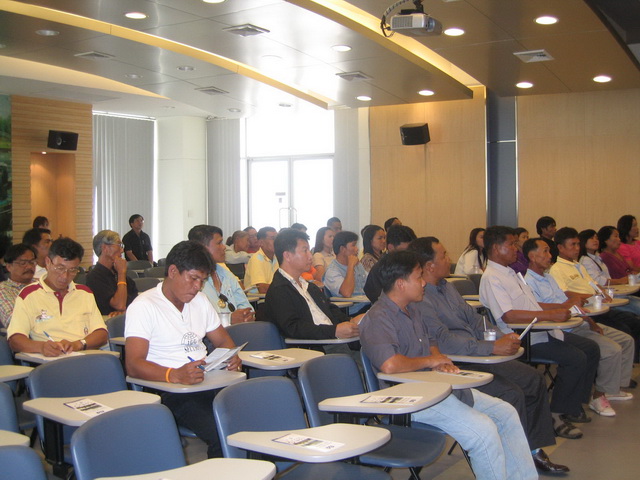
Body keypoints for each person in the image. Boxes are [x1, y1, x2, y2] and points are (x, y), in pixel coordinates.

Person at [360, 250, 537, 480]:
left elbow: (431, 342)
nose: (424, 283)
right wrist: (431, 361)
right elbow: (390, 364)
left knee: (505, 413)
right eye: (418, 277)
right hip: (411, 398)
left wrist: (439, 361)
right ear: (401, 284)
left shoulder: (413, 309)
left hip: (436, 386)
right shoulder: (377, 318)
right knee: (483, 431)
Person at [410, 237, 568, 473]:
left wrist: (501, 337)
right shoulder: (421, 297)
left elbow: (475, 320)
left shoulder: (448, 287)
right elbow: (444, 341)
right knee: (511, 393)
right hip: (457, 362)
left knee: (533, 379)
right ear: (430, 266)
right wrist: (491, 347)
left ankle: (532, 450)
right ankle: (509, 463)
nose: (449, 259)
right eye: (443, 256)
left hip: (478, 352)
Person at [479, 226, 599, 439]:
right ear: (496, 248)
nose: (516, 249)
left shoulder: (510, 272)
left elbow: (533, 305)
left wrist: (560, 308)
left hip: (541, 330)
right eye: (511, 244)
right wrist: (551, 315)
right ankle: (556, 415)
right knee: (575, 358)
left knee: (590, 348)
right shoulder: (492, 278)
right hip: (523, 337)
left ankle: (572, 405)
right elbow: (509, 316)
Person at [125, 241, 241, 458]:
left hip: (207, 380)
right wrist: (174, 375)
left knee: (252, 421)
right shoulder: (144, 306)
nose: (198, 287)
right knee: (223, 433)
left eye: (202, 281)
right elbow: (133, 365)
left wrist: (231, 356)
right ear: (172, 271)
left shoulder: (201, 301)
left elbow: (224, 341)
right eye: (193, 278)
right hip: (170, 389)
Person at [525, 237, 635, 417]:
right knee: (609, 349)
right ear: (532, 256)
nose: (550, 255)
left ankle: (610, 389)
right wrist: (567, 306)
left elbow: (570, 304)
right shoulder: (528, 282)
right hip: (561, 329)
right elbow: (541, 309)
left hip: (577, 322)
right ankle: (598, 395)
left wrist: (590, 322)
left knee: (625, 339)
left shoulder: (549, 277)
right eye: (545, 251)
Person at [550, 227, 640, 366]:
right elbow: (565, 294)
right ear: (560, 247)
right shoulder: (557, 269)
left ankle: (624, 373)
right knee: (623, 329)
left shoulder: (578, 265)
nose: (577, 248)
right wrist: (594, 296)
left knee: (631, 325)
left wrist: (602, 293)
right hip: (587, 311)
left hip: (599, 307)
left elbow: (594, 284)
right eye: (572, 245)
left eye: (578, 244)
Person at [8, 237, 108, 356]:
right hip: (49, 359)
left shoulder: (84, 293)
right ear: (48, 262)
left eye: (72, 270)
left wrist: (78, 344)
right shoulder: (28, 295)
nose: (65, 276)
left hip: (83, 355)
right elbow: (15, 339)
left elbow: (102, 333)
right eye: (60, 268)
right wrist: (41, 347)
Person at [263, 229, 360, 349]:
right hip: (315, 348)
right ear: (287, 256)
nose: (310, 256)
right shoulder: (279, 290)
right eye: (305, 251)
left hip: (335, 341)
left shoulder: (310, 286)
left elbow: (329, 310)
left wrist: (351, 320)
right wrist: (334, 331)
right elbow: (294, 328)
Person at [188, 225, 254, 324]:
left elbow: (247, 307)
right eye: (219, 243)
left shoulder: (224, 273)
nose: (224, 247)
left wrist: (245, 316)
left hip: (238, 329)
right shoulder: (191, 279)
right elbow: (195, 319)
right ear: (202, 248)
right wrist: (228, 319)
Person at [86, 230, 138, 316]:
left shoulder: (115, 272)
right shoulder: (94, 276)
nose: (122, 250)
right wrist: (121, 274)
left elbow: (135, 300)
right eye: (119, 245)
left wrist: (126, 311)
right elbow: (120, 305)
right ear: (105, 248)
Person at [364, 225, 417, 303]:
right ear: (391, 247)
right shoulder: (380, 269)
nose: (409, 254)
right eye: (404, 251)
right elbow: (377, 297)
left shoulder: (414, 265)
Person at [324, 231, 369, 315]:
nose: (357, 249)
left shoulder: (358, 265)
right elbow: (347, 293)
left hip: (367, 305)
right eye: (353, 245)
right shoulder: (332, 271)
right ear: (342, 249)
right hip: (352, 311)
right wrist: (350, 266)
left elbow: (371, 282)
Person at [0, 244, 37, 328]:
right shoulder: (3, 290)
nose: (29, 266)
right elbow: (13, 321)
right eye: (23, 263)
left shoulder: (42, 284)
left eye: (32, 262)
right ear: (9, 267)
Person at [243, 227, 278, 293]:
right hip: (258, 298)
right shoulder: (256, 259)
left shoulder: (278, 258)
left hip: (275, 296)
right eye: (273, 238)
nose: (277, 241)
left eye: (277, 238)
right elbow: (263, 289)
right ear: (261, 242)